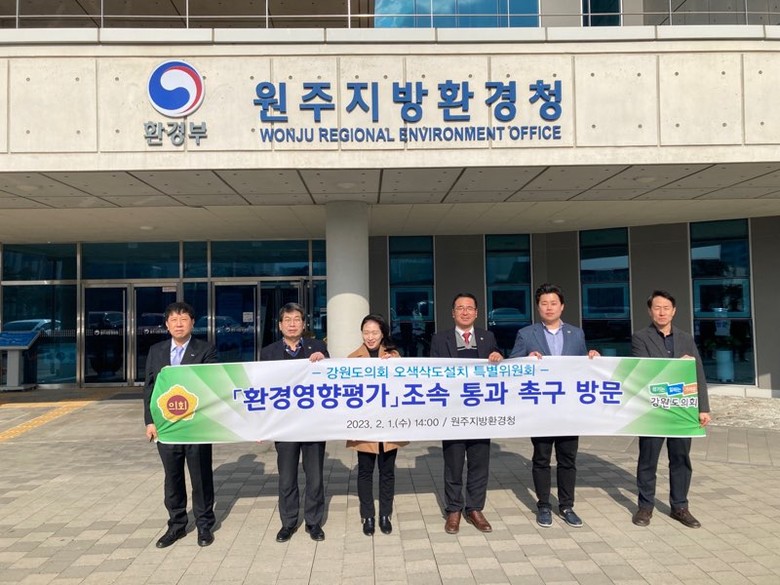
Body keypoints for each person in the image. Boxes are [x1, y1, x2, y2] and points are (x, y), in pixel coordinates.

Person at [510, 283, 599, 529]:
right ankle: (543, 505)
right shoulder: (526, 334)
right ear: (537, 307)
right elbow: (512, 365)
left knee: (568, 458)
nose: (549, 308)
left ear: (562, 306)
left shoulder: (576, 334)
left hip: (568, 407)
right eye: (544, 303)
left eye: (553, 303)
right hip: (540, 408)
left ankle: (567, 505)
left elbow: (582, 367)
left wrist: (592, 358)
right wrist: (524, 360)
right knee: (541, 457)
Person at [631, 290, 711, 529]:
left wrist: (703, 408)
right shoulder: (640, 338)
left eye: (666, 308)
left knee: (681, 459)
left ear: (674, 311)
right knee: (648, 460)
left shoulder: (686, 338)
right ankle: (645, 506)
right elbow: (644, 371)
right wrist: (677, 365)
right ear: (650, 311)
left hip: (682, 410)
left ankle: (680, 507)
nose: (662, 312)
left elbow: (697, 373)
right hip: (653, 409)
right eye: (657, 308)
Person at [143, 301, 218, 548]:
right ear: (166, 324)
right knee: (172, 477)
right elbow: (150, 388)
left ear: (192, 323)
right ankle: (176, 525)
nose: (178, 324)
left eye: (183, 319)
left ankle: (204, 525)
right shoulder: (156, 351)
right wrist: (150, 421)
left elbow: (211, 385)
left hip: (196, 426)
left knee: (201, 477)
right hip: (166, 427)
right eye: (173, 320)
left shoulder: (205, 349)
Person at [430, 293, 503, 534]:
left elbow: (497, 363)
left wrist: (497, 356)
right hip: (452, 411)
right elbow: (432, 372)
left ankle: (474, 509)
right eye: (460, 308)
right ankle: (453, 509)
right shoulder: (439, 339)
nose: (465, 312)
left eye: (469, 308)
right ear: (453, 313)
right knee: (453, 463)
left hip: (481, 411)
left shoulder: (487, 337)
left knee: (479, 462)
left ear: (477, 313)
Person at [260, 302, 329, 542]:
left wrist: (325, 362)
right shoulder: (268, 353)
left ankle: (313, 522)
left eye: (296, 319)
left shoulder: (318, 348)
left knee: (315, 477)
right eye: (287, 320)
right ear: (279, 325)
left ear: (304, 323)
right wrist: (260, 425)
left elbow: (331, 382)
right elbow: (262, 391)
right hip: (284, 426)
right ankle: (288, 522)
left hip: (313, 425)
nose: (292, 324)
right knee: (287, 477)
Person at [346, 314, 407, 537]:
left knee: (387, 472)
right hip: (365, 425)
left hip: (388, 424)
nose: (370, 337)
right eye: (366, 332)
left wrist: (393, 366)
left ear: (383, 334)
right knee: (365, 471)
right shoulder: (352, 359)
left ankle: (385, 515)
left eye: (374, 332)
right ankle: (368, 515)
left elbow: (404, 387)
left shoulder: (394, 356)